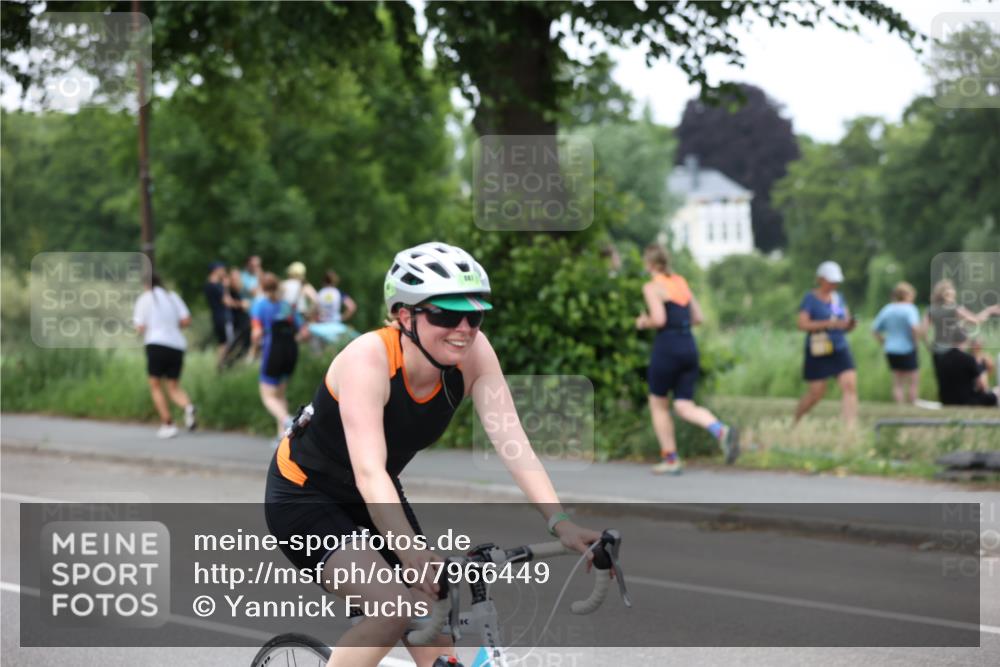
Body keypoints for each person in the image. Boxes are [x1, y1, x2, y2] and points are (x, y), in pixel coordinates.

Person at [264, 242, 603, 667]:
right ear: (405, 316)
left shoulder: (474, 354)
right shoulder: (367, 360)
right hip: (305, 497)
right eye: (445, 314)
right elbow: (369, 473)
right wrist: (411, 554)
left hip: (377, 496)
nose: (463, 327)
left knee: (437, 632)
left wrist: (560, 522)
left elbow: (512, 443)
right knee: (394, 609)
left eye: (474, 315)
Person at [635, 244, 739, 475]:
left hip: (667, 347)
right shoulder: (680, 282)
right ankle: (720, 430)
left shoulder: (652, 286)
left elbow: (659, 319)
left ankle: (671, 459)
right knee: (684, 405)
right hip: (688, 345)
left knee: (658, 404)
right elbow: (698, 317)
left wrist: (644, 322)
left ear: (649, 264)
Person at [793, 261, 858, 428]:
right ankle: (796, 422)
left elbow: (843, 322)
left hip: (839, 347)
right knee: (816, 393)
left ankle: (849, 429)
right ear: (821, 279)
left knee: (849, 385)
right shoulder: (810, 299)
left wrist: (849, 325)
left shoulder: (838, 298)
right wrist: (828, 323)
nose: (834, 284)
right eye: (831, 281)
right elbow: (802, 324)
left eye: (836, 281)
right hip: (818, 350)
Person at [133, 273, 197, 438]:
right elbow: (186, 320)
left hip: (156, 344)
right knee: (173, 386)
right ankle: (188, 407)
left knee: (155, 385)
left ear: (146, 284)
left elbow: (139, 327)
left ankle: (167, 423)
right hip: (177, 345)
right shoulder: (172, 296)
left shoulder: (145, 298)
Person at [251, 272, 302, 441]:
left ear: (261, 287)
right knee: (280, 395)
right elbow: (303, 330)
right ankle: (283, 437)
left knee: (267, 396)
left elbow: (257, 333)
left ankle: (287, 420)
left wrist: (253, 351)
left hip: (273, 351)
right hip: (291, 351)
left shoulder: (259, 305)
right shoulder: (286, 306)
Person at [871, 282, 922, 404]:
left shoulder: (887, 309)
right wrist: (916, 342)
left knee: (897, 382)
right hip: (907, 348)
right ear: (908, 295)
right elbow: (914, 328)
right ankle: (913, 403)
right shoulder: (910, 309)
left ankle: (900, 405)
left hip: (891, 349)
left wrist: (884, 342)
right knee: (913, 379)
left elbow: (874, 329)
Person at [934, 331, 999, 407]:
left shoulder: (942, 359)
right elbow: (982, 385)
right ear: (965, 341)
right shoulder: (968, 359)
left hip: (946, 401)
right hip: (967, 401)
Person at [308, 269, 358, 346]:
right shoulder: (338, 293)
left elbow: (314, 310)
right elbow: (351, 307)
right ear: (335, 281)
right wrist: (342, 317)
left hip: (321, 326)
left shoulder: (320, 293)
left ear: (323, 281)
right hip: (335, 325)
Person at [204, 261, 236, 362]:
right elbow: (227, 301)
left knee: (222, 342)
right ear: (216, 271)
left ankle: (222, 364)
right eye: (222, 270)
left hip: (217, 317)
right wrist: (226, 287)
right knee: (228, 342)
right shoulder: (216, 286)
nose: (224, 272)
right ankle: (224, 364)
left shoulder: (208, 285)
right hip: (223, 317)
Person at [281, 261, 319, 326]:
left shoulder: (283, 284)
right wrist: (309, 314)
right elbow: (316, 301)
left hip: (284, 317)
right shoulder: (305, 286)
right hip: (299, 317)